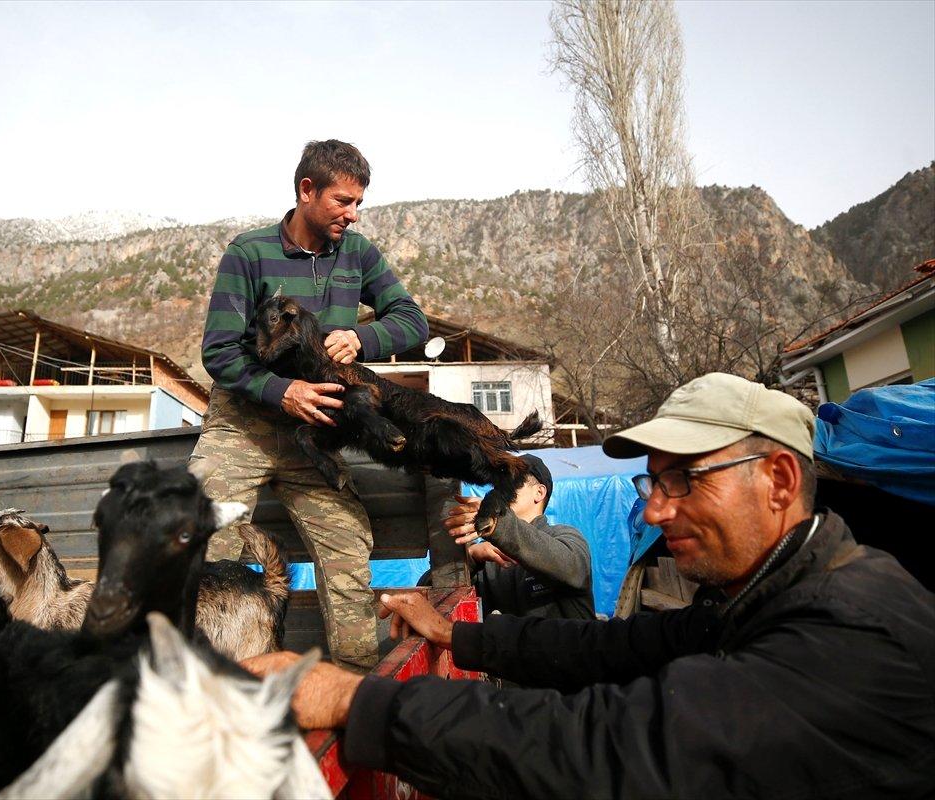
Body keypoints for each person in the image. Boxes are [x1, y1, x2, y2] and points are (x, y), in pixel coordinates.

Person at [246, 372, 935, 797]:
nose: (655, 512)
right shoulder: (761, 597)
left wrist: (354, 699)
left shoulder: (850, 630)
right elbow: (612, 647)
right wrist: (458, 634)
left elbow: (608, 746)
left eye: (682, 481)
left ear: (779, 480)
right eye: (653, 484)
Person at [191, 140, 428, 671]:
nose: (353, 213)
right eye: (343, 201)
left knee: (347, 547)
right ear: (306, 190)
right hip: (242, 428)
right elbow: (219, 351)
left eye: (358, 202)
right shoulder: (248, 253)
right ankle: (206, 682)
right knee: (203, 540)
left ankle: (353, 687)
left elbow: (413, 320)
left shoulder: (358, 254)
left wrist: (363, 337)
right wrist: (283, 391)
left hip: (315, 437)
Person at [445, 453, 594, 620]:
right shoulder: (487, 556)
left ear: (539, 492)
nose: (500, 491)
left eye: (512, 483)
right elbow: (435, 597)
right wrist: (471, 557)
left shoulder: (565, 536)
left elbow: (571, 568)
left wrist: (498, 524)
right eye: (498, 484)